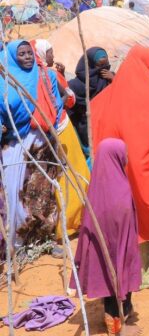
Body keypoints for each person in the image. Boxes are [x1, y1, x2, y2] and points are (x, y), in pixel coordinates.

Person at [91, 45, 149, 289]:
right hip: (136, 171)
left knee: (130, 220)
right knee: (141, 216)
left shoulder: (113, 96)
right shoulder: (142, 94)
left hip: (125, 173)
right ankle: (142, 274)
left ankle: (136, 274)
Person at [70, 139, 141, 336]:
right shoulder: (120, 188)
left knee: (109, 275)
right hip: (119, 249)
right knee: (117, 275)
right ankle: (117, 325)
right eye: (123, 153)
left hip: (106, 249)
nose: (126, 157)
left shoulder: (96, 188)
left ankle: (120, 313)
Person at [0, 40, 63, 251]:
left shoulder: (46, 76)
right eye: (22, 54)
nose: (27, 57)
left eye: (29, 53)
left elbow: (56, 104)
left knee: (42, 192)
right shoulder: (3, 79)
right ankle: (16, 240)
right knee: (14, 191)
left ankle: (42, 238)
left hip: (43, 143)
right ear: (11, 57)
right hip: (14, 144)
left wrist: (51, 130)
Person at [32, 39, 88, 241]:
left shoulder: (29, 77)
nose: (52, 57)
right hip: (61, 129)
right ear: (41, 54)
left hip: (41, 134)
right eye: (49, 53)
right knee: (72, 174)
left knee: (54, 178)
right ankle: (72, 221)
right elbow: (70, 99)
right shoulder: (49, 74)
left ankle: (59, 225)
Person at [68, 47, 114, 155]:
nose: (104, 68)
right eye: (99, 65)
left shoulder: (109, 77)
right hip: (87, 129)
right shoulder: (75, 85)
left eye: (106, 63)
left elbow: (122, 96)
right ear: (91, 65)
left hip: (108, 126)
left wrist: (113, 79)